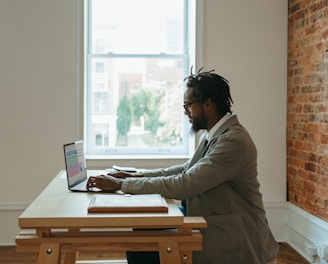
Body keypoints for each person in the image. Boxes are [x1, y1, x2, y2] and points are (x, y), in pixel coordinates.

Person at [87, 68, 279, 264]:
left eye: (188, 105)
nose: (185, 111)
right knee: (142, 232)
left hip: (239, 240)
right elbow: (185, 169)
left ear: (208, 103)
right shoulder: (214, 135)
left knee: (143, 243)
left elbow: (184, 184)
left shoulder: (233, 142)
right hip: (214, 223)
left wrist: (120, 186)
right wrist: (132, 177)